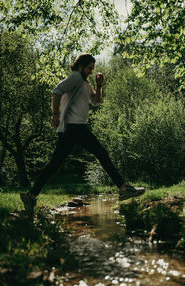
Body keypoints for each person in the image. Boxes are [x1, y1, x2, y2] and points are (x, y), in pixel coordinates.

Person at [20, 53, 145, 217]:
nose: (91, 72)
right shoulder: (75, 78)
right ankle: (123, 188)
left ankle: (31, 196)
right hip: (73, 127)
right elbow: (56, 91)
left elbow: (95, 102)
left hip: (74, 128)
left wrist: (99, 86)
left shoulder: (84, 83)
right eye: (89, 68)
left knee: (54, 164)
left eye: (93, 69)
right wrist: (55, 114)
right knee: (101, 153)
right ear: (80, 66)